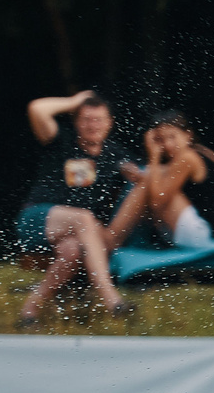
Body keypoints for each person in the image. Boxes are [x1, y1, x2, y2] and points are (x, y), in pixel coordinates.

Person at [19, 88, 141, 325]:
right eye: (86, 119)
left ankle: (30, 310)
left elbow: (144, 181)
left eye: (98, 120)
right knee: (84, 218)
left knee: (73, 252)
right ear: (76, 122)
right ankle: (112, 300)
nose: (92, 125)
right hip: (37, 219)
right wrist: (74, 101)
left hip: (77, 233)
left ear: (109, 123)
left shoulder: (116, 155)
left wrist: (136, 174)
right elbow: (36, 108)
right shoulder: (61, 142)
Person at [123, 112, 214, 250]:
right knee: (149, 180)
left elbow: (157, 200)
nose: (167, 144)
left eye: (172, 137)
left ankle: (114, 239)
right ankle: (119, 240)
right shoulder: (201, 152)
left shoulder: (187, 157)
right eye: (160, 140)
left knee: (149, 186)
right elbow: (161, 174)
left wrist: (153, 156)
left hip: (208, 239)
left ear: (188, 134)